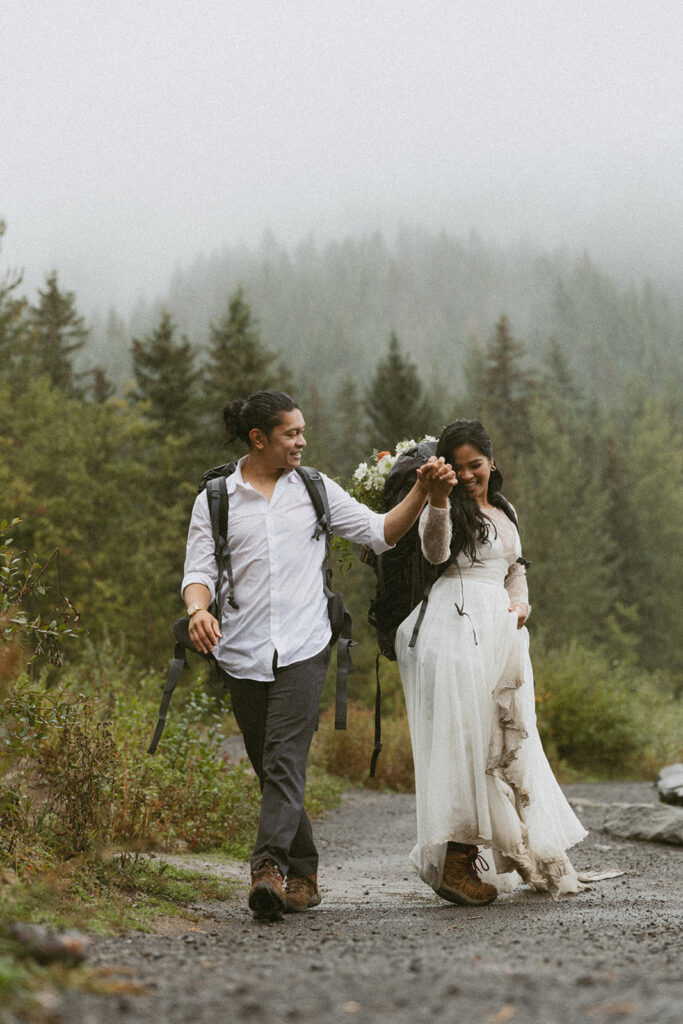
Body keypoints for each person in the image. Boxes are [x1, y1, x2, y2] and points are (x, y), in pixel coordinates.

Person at [182, 389, 455, 920]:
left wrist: (421, 492)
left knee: (284, 759)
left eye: (303, 431)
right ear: (259, 439)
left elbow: (381, 535)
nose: (303, 441)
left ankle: (268, 869)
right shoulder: (216, 498)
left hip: (306, 646)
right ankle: (304, 873)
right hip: (240, 651)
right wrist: (198, 611)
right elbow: (198, 573)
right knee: (270, 766)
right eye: (292, 433)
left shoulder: (314, 490)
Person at [396, 419, 587, 907]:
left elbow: (514, 569)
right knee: (469, 739)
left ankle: (506, 852)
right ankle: (456, 861)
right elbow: (435, 552)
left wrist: (521, 604)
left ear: (491, 461)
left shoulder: (503, 508)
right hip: (456, 626)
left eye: (474, 465)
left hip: (501, 632)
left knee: (506, 738)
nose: (467, 475)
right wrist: (438, 497)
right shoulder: (445, 507)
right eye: (457, 467)